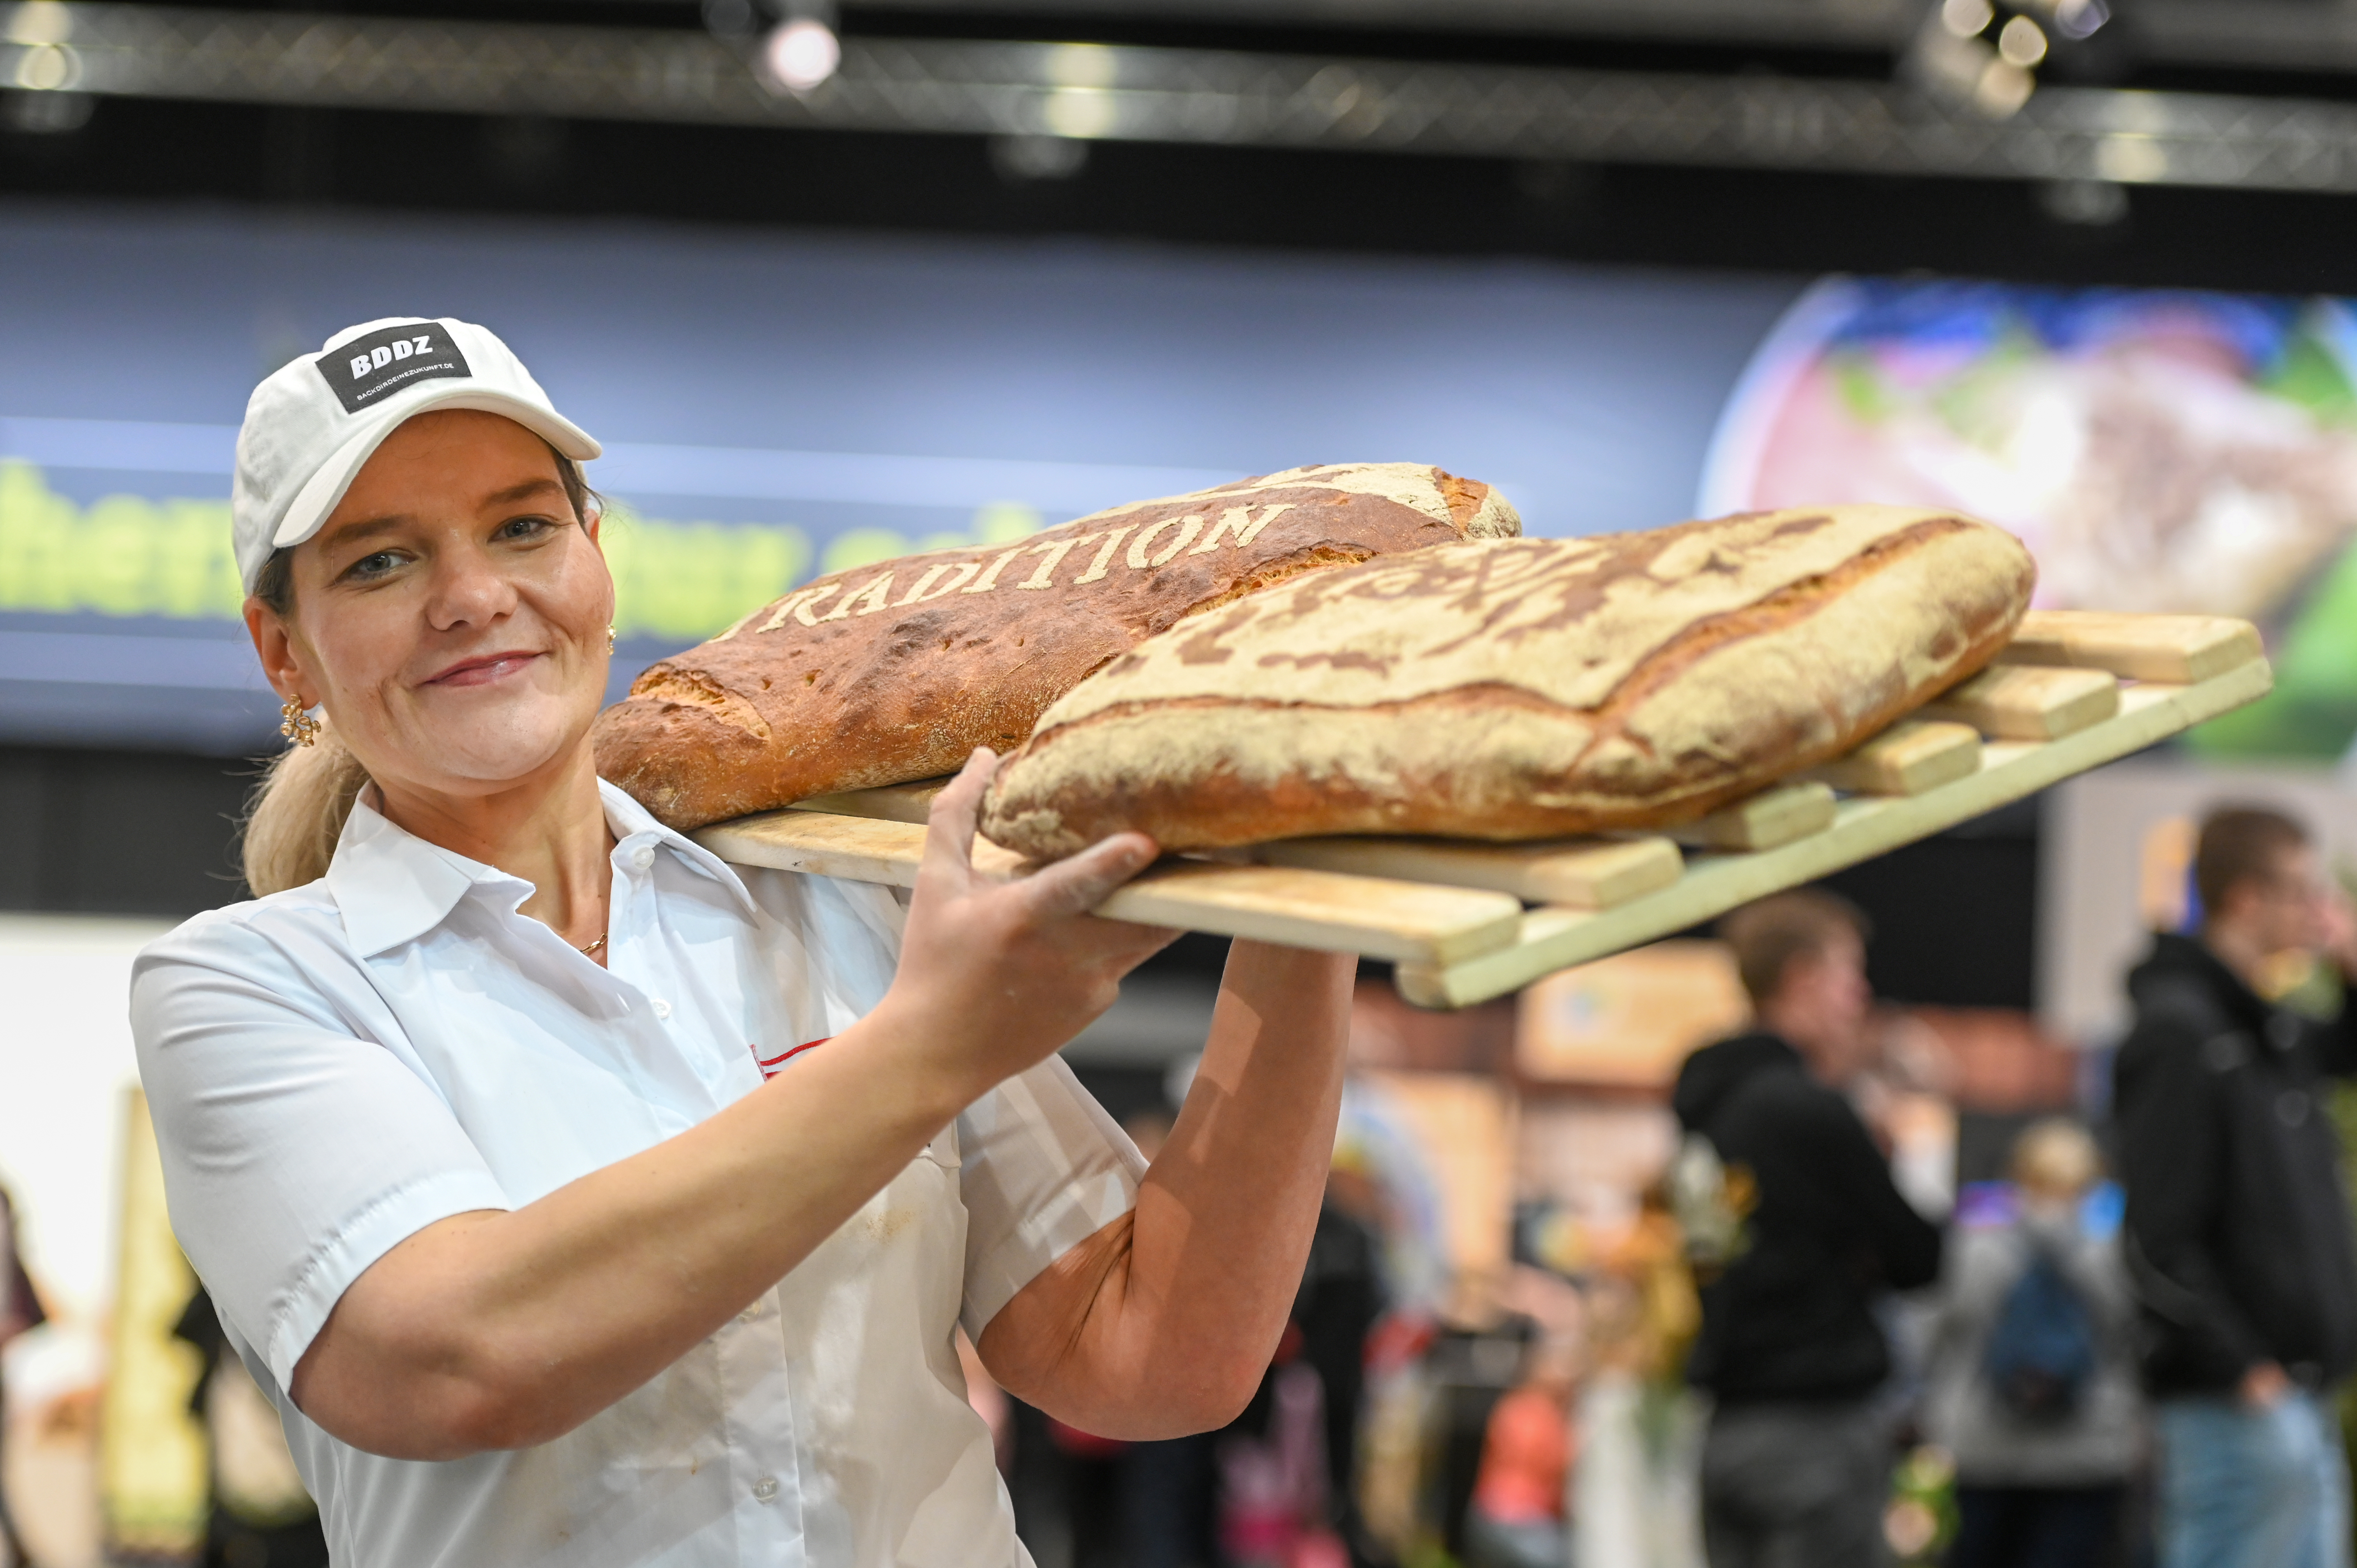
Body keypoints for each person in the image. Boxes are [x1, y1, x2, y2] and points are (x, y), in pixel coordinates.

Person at [129, 317, 1355, 1567]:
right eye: (382, 562)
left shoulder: (826, 891)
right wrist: (931, 1046)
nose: (474, 598)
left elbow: (1146, 1356)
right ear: (284, 650)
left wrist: (1316, 885)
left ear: (597, 558)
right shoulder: (252, 989)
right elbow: (450, 1359)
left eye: (521, 527)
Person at [2113, 805, 2357, 1568]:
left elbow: (2342, 1051)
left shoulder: (2260, 1028)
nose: (2319, 910)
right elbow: (2157, 1237)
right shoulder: (2185, 1031)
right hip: (2235, 1400)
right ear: (2246, 895)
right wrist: (2244, 1368)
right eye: (2302, 889)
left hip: (2291, 1393)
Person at [1671, 888, 1943, 1568]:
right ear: (1802, 977)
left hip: (1725, 1432)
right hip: (1815, 1431)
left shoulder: (1705, 1106)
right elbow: (1919, 1254)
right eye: (1850, 975)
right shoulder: (1809, 1111)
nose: (1859, 998)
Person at [1924, 1119, 2140, 1568]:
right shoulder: (2114, 1254)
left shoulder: (1972, 1248)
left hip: (1985, 1444)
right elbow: (2132, 1340)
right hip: (2088, 1448)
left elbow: (1936, 1334)